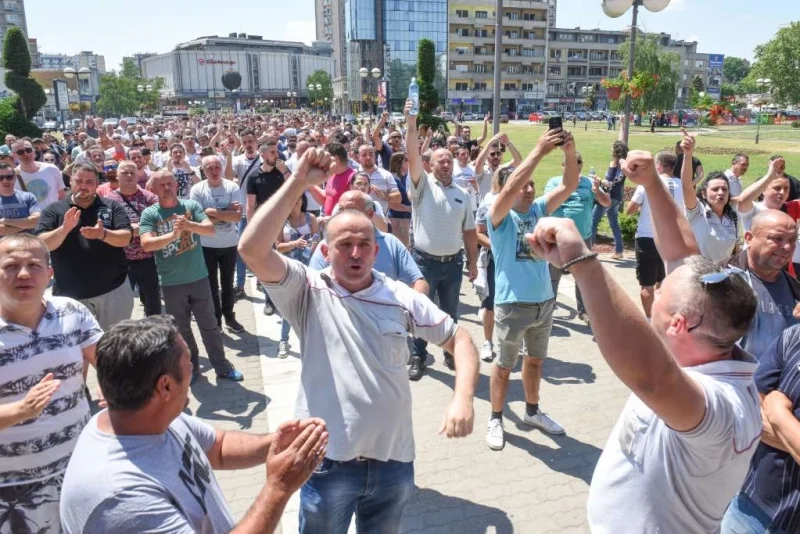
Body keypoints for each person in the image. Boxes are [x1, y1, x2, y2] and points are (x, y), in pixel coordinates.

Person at [238, 147, 477, 534]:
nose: (354, 253)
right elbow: (250, 248)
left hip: (394, 463)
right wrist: (298, 180)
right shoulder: (307, 291)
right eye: (344, 244)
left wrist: (462, 396)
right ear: (325, 249)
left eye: (364, 244)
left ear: (377, 250)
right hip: (326, 462)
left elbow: (460, 339)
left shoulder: (400, 297)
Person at [532, 149, 761, 533]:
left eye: (660, 296)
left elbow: (651, 378)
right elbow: (686, 258)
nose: (653, 295)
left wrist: (583, 262)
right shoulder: (713, 349)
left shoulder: (722, 406)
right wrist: (653, 183)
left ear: (678, 325)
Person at [59, 316, 328, 534]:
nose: (195, 369)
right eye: (189, 363)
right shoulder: (120, 498)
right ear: (164, 385)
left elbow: (218, 447)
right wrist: (278, 488)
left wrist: (278, 445)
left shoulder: (147, 417)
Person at [484, 127, 579, 450]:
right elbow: (509, 188)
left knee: (535, 361)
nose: (528, 189)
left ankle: (532, 412)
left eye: (532, 185)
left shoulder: (539, 208)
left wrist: (569, 151)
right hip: (513, 305)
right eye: (523, 184)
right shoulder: (498, 215)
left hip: (543, 303)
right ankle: (496, 417)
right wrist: (537, 152)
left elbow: (569, 185)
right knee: (504, 365)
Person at [0, 234, 102, 534]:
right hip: (15, 490)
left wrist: (120, 388)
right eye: (11, 265)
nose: (23, 274)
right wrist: (19, 410)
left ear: (49, 273)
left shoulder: (71, 312)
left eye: (33, 265)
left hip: (81, 470)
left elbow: (108, 363)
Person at [139, 171, 242, 383]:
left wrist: (188, 225)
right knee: (182, 329)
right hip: (171, 282)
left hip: (198, 277)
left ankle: (222, 366)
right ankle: (191, 367)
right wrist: (172, 236)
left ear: (176, 185)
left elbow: (210, 229)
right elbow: (147, 244)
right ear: (154, 189)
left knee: (210, 325)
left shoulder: (190, 207)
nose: (166, 188)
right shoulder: (150, 214)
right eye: (162, 185)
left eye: (170, 183)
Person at [404, 100, 479, 380]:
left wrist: (472, 263)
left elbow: (469, 231)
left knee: (450, 313)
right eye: (440, 160)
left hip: (453, 263)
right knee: (421, 312)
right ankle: (418, 356)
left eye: (449, 160)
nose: (446, 164)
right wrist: (411, 124)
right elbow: (412, 154)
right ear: (430, 165)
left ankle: (450, 353)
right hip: (424, 263)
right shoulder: (422, 185)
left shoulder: (462, 193)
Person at [721, 325, 800, 534]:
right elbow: (749, 406)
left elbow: (764, 411)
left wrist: (778, 414)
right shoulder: (793, 337)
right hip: (750, 508)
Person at [35, 164, 134, 330]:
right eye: (79, 181)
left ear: (97, 184)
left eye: (89, 182)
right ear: (71, 182)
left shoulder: (111, 206)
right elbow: (43, 245)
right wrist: (65, 228)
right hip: (71, 296)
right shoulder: (54, 210)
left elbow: (126, 238)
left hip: (113, 290)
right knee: (78, 351)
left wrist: (103, 234)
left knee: (116, 345)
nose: (83, 186)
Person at [720, 209, 799, 360]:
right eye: (777, 238)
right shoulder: (720, 279)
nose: (787, 247)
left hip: (780, 382)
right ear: (749, 238)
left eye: (792, 240)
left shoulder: (795, 290)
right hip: (731, 379)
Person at [310, 190, 425, 293]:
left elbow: (418, 282)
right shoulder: (328, 245)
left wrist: (409, 308)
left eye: (351, 210)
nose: (344, 215)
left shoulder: (391, 243)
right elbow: (312, 284)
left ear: (369, 214)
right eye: (341, 210)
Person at [545, 152, 611, 322]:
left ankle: (584, 312)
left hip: (584, 238)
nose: (575, 164)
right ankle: (547, 312)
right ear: (563, 165)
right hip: (558, 239)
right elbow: (547, 205)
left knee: (583, 277)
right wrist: (567, 186)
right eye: (570, 162)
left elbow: (606, 202)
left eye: (578, 161)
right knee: (553, 277)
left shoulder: (589, 183)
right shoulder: (554, 182)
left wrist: (598, 191)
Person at [626, 151, 686, 318]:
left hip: (647, 237)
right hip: (671, 238)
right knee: (664, 281)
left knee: (647, 285)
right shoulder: (683, 185)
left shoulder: (648, 183)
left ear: (658, 166)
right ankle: (663, 316)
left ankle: (650, 320)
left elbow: (630, 210)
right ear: (673, 166)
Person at [190, 155, 246, 333]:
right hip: (206, 245)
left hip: (229, 243)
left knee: (228, 283)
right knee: (212, 286)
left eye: (216, 167)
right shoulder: (197, 189)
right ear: (203, 170)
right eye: (209, 168)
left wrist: (212, 212)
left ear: (221, 168)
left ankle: (229, 317)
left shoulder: (232, 187)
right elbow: (198, 219)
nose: (214, 171)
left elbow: (237, 217)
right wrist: (225, 212)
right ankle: (216, 321)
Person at [102, 160, 161, 316]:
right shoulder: (107, 201)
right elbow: (104, 228)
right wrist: (135, 229)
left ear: (137, 176)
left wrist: (127, 230)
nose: (128, 176)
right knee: (120, 301)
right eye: (124, 172)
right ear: (117, 175)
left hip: (148, 257)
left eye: (132, 173)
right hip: (120, 259)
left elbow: (159, 222)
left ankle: (154, 331)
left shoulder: (150, 198)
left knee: (152, 298)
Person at [679, 131, 740, 262]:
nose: (720, 193)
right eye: (715, 189)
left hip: (722, 277)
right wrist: (688, 154)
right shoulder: (696, 211)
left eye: (724, 189)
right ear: (703, 194)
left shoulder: (732, 217)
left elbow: (735, 251)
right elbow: (686, 186)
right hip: (697, 276)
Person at [273, 193, 319, 357]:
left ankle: (311, 342)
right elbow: (278, 247)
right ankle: (283, 340)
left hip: (309, 267)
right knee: (289, 305)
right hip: (290, 268)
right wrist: (294, 243)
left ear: (302, 201)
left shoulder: (311, 218)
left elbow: (317, 239)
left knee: (311, 305)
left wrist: (312, 245)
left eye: (297, 199)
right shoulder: (281, 220)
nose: (295, 202)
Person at [591, 139, 628, 260]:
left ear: (616, 151)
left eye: (612, 148)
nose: (610, 150)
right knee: (614, 224)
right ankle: (619, 251)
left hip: (607, 198)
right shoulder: (624, 165)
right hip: (617, 198)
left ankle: (588, 252)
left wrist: (597, 178)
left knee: (592, 222)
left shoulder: (613, 164)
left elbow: (609, 183)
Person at [14, 139, 66, 208]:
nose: (26, 154)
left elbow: (61, 195)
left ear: (34, 150)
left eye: (28, 150)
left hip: (52, 216)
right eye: (20, 152)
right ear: (14, 155)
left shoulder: (52, 169)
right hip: (29, 217)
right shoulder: (10, 176)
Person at [0, 162, 40, 236]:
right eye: (1, 178)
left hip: (28, 245)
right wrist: (26, 225)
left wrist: (5, 221)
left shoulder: (28, 197)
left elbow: (36, 220)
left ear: (15, 178)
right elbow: (2, 230)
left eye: (9, 177)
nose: (5, 181)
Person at [320, 142, 355, 216]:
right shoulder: (331, 174)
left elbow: (354, 209)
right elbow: (326, 200)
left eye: (326, 158)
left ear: (335, 159)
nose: (323, 162)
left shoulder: (353, 178)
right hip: (328, 224)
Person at [387, 151, 412, 247]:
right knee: (401, 248)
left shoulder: (405, 177)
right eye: (406, 160)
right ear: (398, 163)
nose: (409, 162)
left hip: (406, 218)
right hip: (397, 220)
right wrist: (409, 209)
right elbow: (392, 203)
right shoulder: (393, 179)